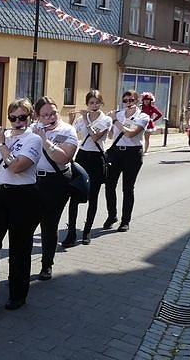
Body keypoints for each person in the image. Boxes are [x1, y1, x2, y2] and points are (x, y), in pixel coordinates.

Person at [0, 98, 42, 313]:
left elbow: (17, 167)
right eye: (13, 117)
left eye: (22, 117)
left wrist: (1, 143)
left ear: (30, 118)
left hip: (22, 195)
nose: (17, 122)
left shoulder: (33, 139)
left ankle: (17, 293)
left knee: (19, 247)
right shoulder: (2, 137)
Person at [32, 96, 79, 281]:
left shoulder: (67, 130)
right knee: (27, 223)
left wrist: (44, 140)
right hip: (33, 180)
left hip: (56, 182)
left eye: (53, 113)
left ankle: (46, 264)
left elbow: (64, 157)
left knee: (49, 225)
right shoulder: (32, 129)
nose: (50, 118)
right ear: (38, 116)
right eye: (45, 115)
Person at [62, 90, 112, 247]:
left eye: (97, 102)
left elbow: (95, 135)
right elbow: (69, 134)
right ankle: (71, 233)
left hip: (97, 158)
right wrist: (71, 120)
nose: (94, 105)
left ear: (101, 103)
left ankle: (87, 231)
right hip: (82, 156)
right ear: (87, 104)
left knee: (93, 195)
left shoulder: (106, 119)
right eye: (91, 103)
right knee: (75, 195)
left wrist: (85, 118)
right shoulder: (81, 119)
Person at [103, 89, 150, 233]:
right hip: (117, 151)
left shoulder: (143, 116)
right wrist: (109, 122)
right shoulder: (118, 114)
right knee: (110, 185)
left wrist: (115, 121)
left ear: (137, 101)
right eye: (125, 100)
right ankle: (112, 216)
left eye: (131, 100)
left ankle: (125, 220)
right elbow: (112, 135)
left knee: (128, 188)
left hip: (133, 153)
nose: (128, 103)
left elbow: (130, 134)